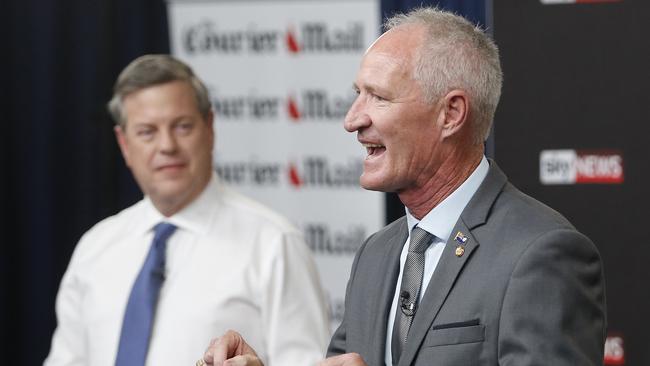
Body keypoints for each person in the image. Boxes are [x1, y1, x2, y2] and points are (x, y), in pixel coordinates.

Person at [202, 7, 606, 366]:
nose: (352, 119)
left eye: (377, 97)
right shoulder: (376, 255)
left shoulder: (540, 253)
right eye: (357, 94)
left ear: (451, 114)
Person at [44, 54, 330, 366]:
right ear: (124, 144)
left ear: (209, 128)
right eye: (147, 132)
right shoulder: (95, 248)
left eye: (181, 127)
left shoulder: (273, 243)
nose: (166, 145)